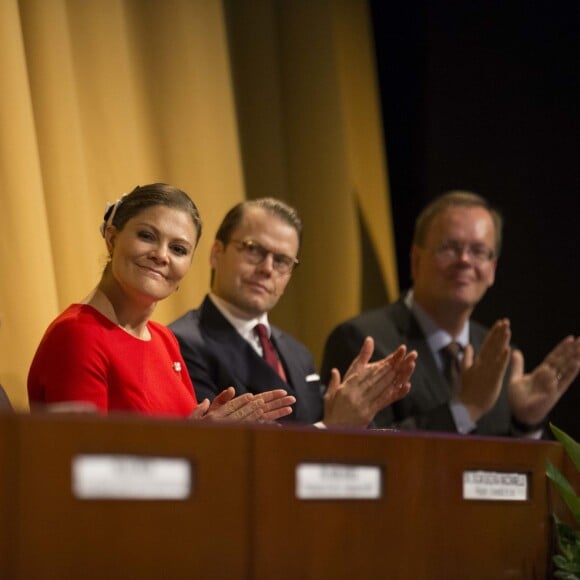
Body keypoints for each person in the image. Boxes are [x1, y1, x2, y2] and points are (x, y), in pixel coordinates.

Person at [28, 183, 295, 422]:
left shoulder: (163, 339)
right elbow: (85, 464)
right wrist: (198, 440)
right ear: (111, 239)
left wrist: (215, 437)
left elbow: (182, 443)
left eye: (178, 249)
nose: (161, 255)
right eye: (146, 236)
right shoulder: (78, 335)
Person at [322, 190, 580, 436]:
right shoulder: (362, 339)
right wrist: (465, 410)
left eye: (478, 251)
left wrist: (526, 422)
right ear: (416, 260)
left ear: (492, 269)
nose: (465, 260)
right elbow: (364, 449)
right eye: (450, 248)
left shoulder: (499, 356)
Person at [170, 197, 417, 428]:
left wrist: (353, 405)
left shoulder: (297, 353)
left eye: (282, 261)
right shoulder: (182, 343)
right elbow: (224, 448)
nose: (267, 268)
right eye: (253, 249)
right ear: (216, 253)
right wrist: (331, 428)